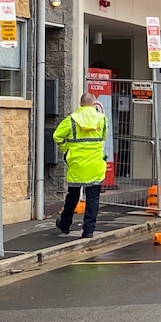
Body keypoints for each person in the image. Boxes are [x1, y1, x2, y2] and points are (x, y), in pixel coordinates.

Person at [53, 92, 108, 238]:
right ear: (93, 103)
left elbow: (56, 135)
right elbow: (103, 137)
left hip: (76, 163)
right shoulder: (102, 119)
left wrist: (66, 148)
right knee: (93, 198)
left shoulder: (71, 120)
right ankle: (88, 230)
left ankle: (65, 224)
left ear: (80, 104)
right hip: (95, 164)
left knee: (73, 196)